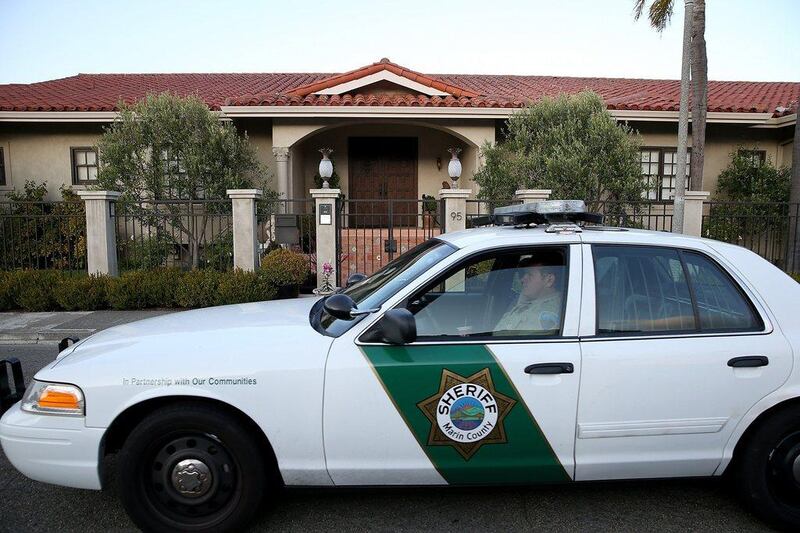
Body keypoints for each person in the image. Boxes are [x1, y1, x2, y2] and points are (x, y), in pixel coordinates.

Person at [494, 253, 564, 334]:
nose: (523, 279)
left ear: (549, 280)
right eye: (525, 274)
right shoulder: (531, 300)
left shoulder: (545, 315)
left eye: (530, 275)